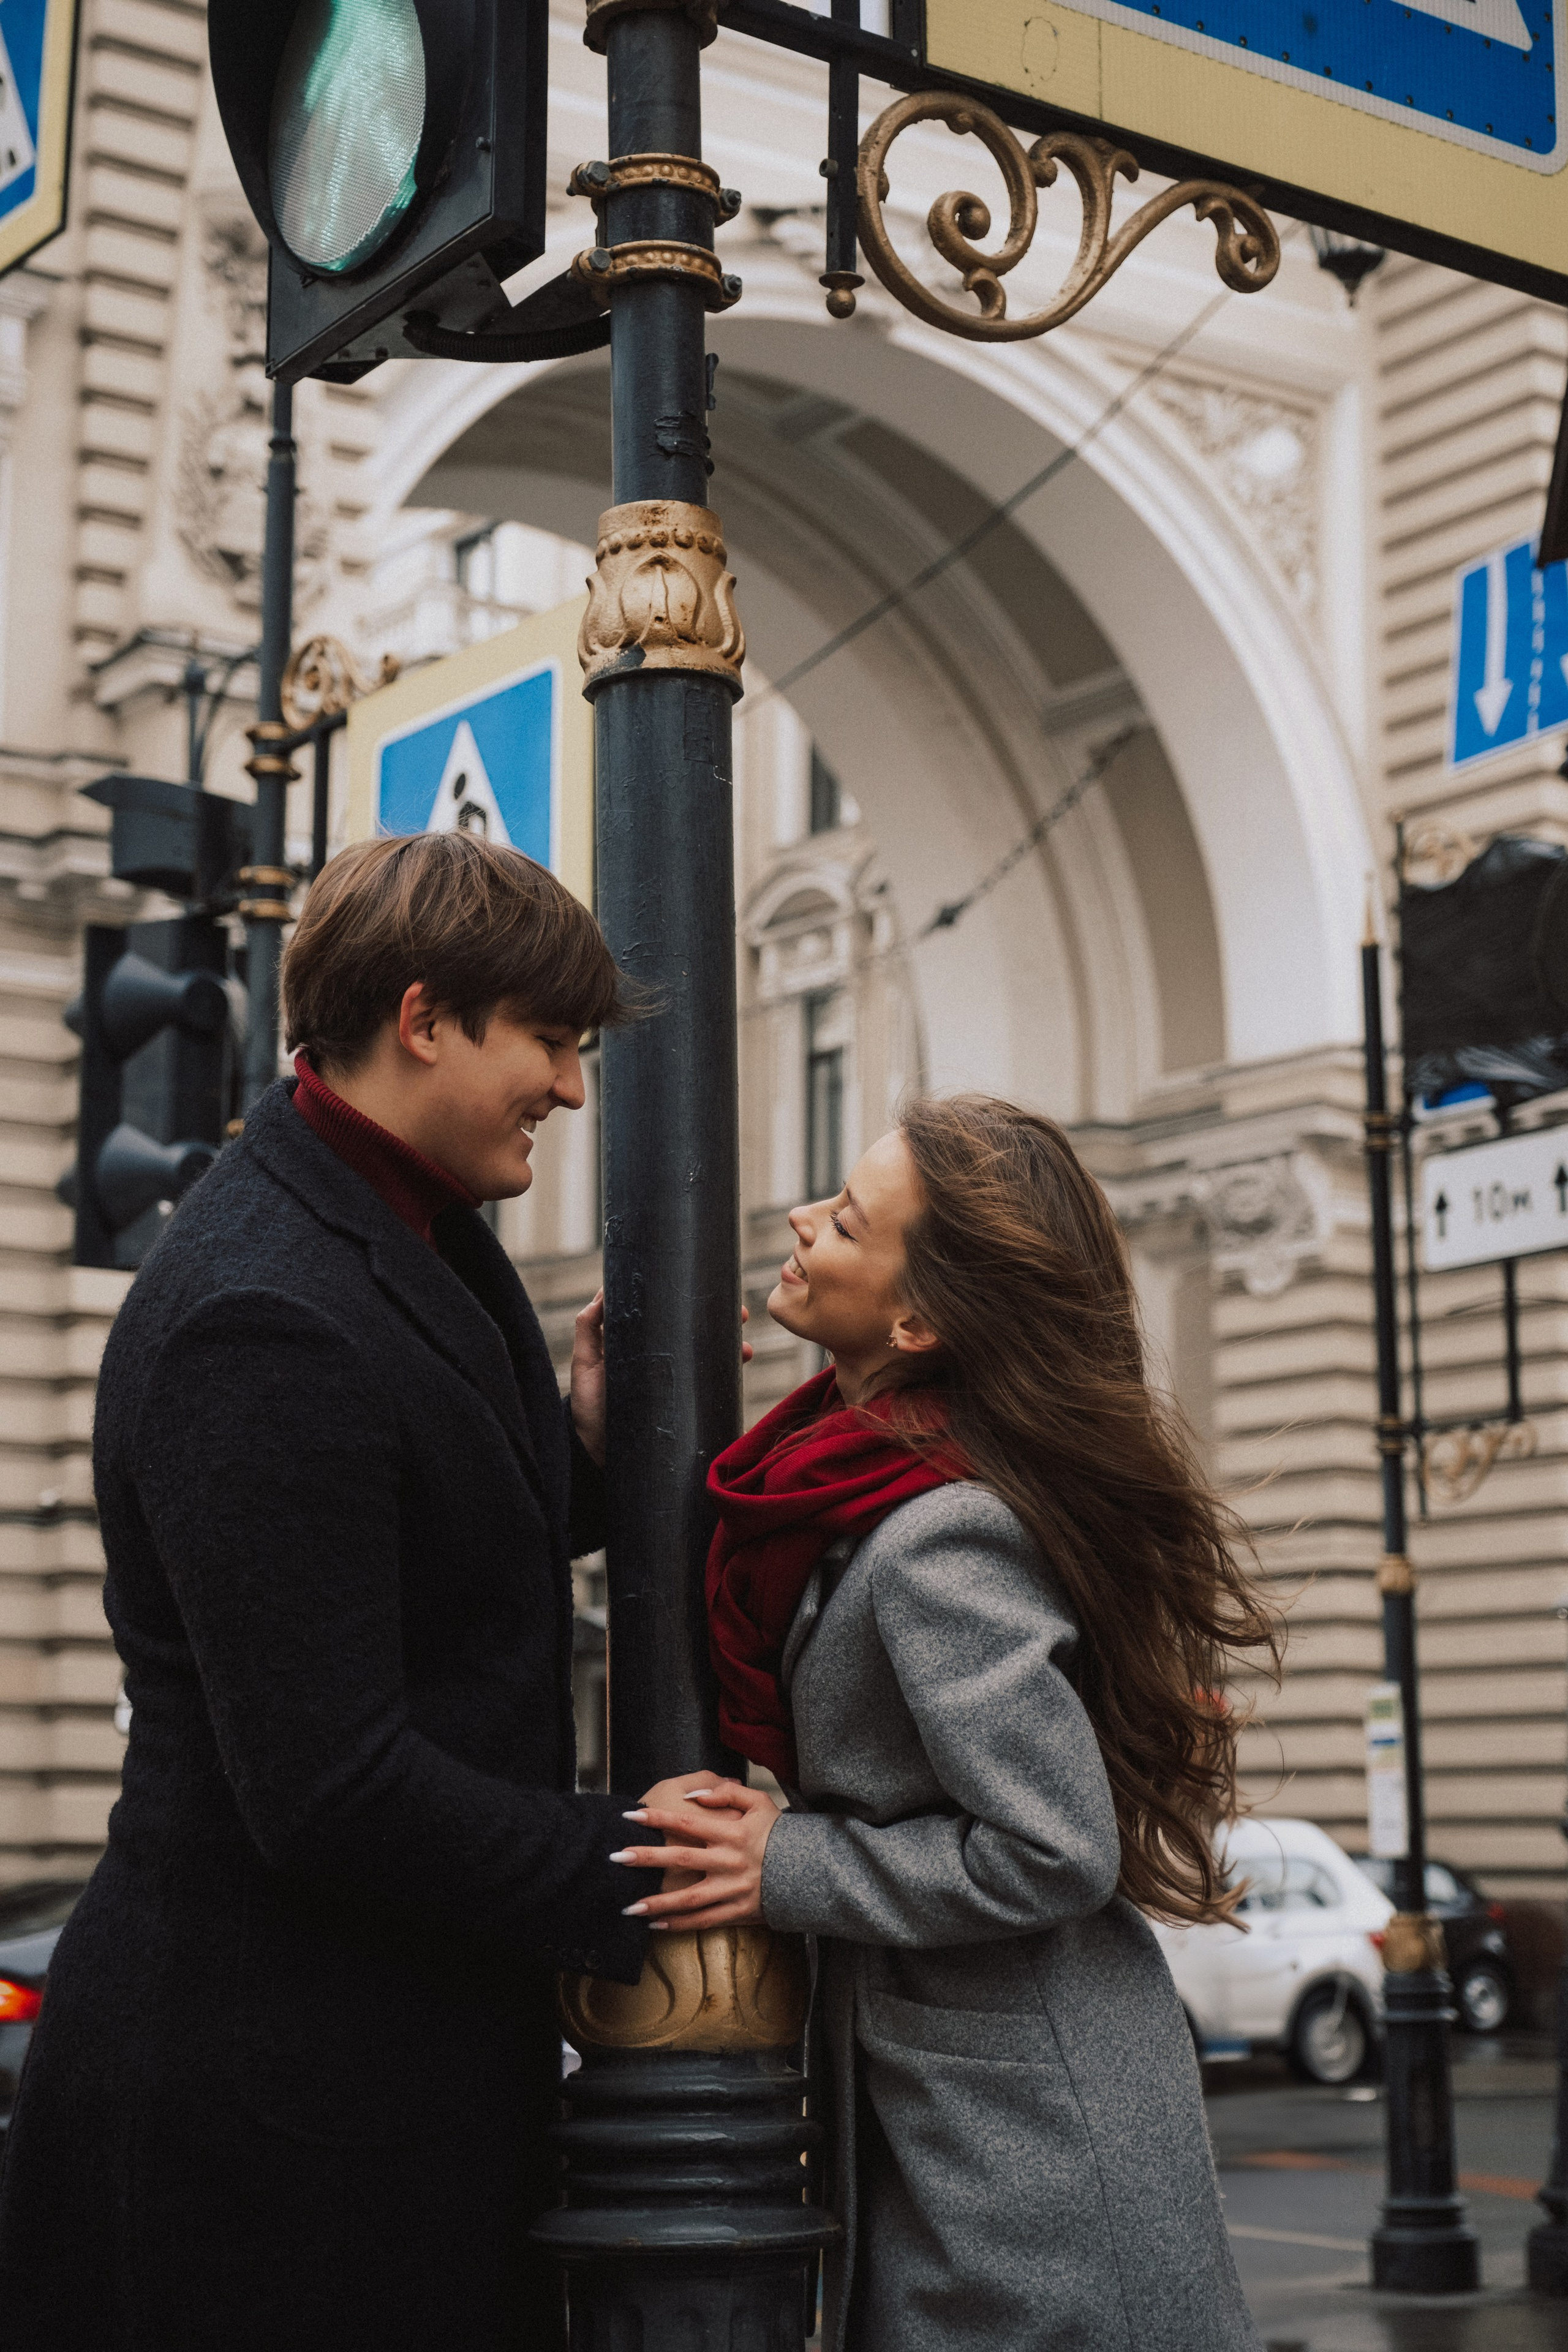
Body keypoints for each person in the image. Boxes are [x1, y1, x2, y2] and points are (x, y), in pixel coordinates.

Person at [0, 834, 674, 2352]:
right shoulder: (262, 1305)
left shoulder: (398, 1229)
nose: (570, 1090)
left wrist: (569, 1449)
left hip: (363, 2087)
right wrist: (656, 1873)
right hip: (260, 2130)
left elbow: (413, 1551)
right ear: (426, 1019)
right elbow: (329, 1781)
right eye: (550, 1043)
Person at [614, 1095, 1283, 2352]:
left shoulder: (939, 1536)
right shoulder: (846, 1471)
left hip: (1028, 2162)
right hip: (958, 2117)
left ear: (916, 1321)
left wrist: (786, 1862)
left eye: (848, 1220)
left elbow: (1053, 1848)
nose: (803, 1221)